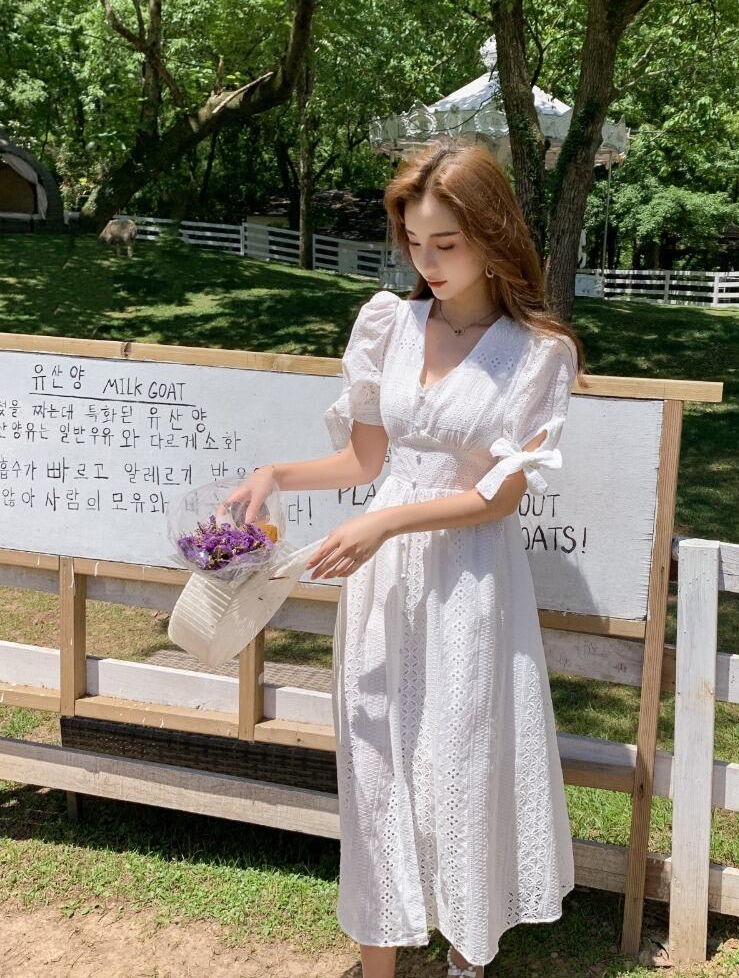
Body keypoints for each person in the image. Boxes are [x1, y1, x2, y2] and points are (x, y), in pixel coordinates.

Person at [228, 139, 589, 977]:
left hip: (470, 582)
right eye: (415, 242)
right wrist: (276, 473)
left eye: (446, 244)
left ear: (493, 236)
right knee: (375, 766)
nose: (426, 263)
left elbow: (499, 497)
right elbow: (364, 461)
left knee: (460, 767)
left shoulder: (539, 353)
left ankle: (466, 958)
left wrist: (387, 524)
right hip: (382, 582)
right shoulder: (390, 324)